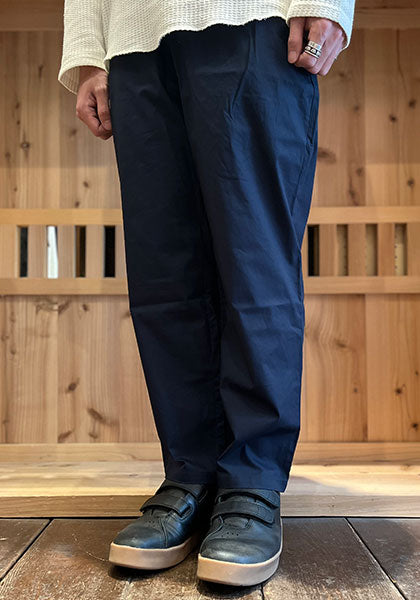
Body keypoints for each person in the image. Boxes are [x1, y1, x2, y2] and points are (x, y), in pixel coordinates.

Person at [58, 0, 355, 587]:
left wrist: (327, 3)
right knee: (164, 271)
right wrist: (89, 53)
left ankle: (252, 481)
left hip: (254, 20)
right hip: (135, 38)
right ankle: (190, 472)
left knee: (255, 264)